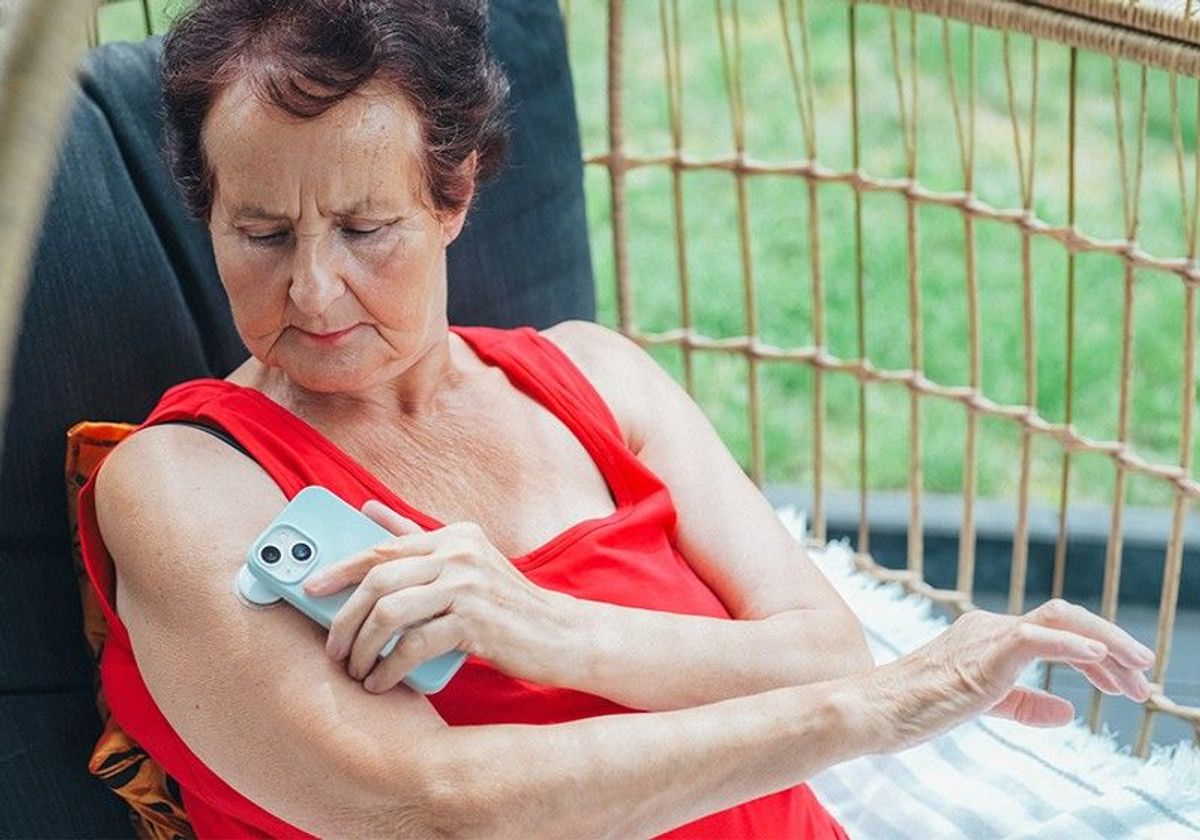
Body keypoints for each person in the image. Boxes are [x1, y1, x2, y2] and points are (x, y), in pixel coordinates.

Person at [76, 0, 1155, 837]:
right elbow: (426, 808)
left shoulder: (597, 380)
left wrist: (544, 627)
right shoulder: (186, 484)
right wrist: (875, 710)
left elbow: (820, 647)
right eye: (262, 233)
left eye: (367, 227)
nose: (313, 292)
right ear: (209, 212)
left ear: (454, 196)